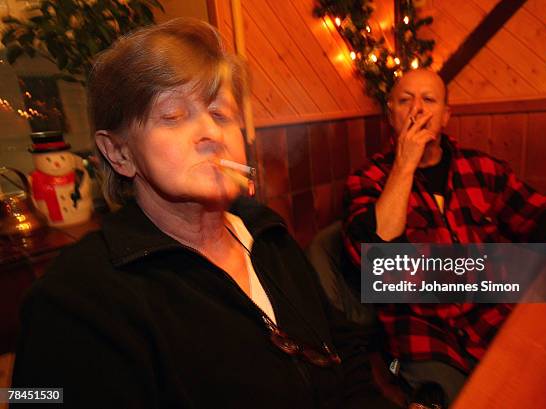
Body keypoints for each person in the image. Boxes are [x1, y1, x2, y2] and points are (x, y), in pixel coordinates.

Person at [11, 18, 399, 409]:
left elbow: (343, 353)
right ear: (119, 153)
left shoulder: (266, 235)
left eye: (221, 114)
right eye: (173, 117)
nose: (211, 135)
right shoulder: (73, 302)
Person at [343, 69, 546, 406]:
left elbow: (533, 208)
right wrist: (405, 165)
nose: (417, 110)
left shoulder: (481, 167)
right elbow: (377, 265)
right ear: (390, 112)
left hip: (492, 311)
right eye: (405, 101)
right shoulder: (367, 179)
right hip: (420, 329)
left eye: (429, 100)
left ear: (446, 115)